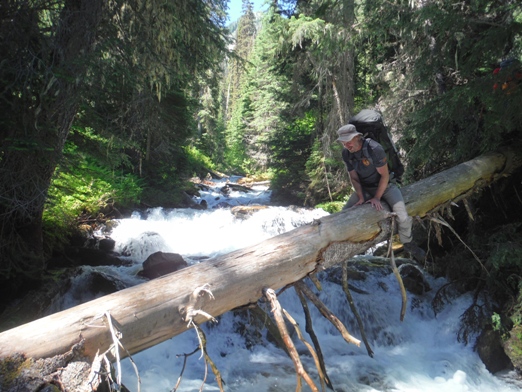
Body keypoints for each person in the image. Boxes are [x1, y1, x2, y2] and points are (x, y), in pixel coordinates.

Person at [337, 123, 426, 262]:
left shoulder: (374, 149)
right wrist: (360, 196)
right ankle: (345, 248)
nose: (347, 145)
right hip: (365, 189)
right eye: (343, 143)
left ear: (357, 137)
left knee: (402, 216)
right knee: (342, 215)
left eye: (348, 141)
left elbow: (384, 176)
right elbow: (353, 177)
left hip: (386, 186)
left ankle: (408, 243)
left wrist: (377, 198)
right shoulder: (346, 154)